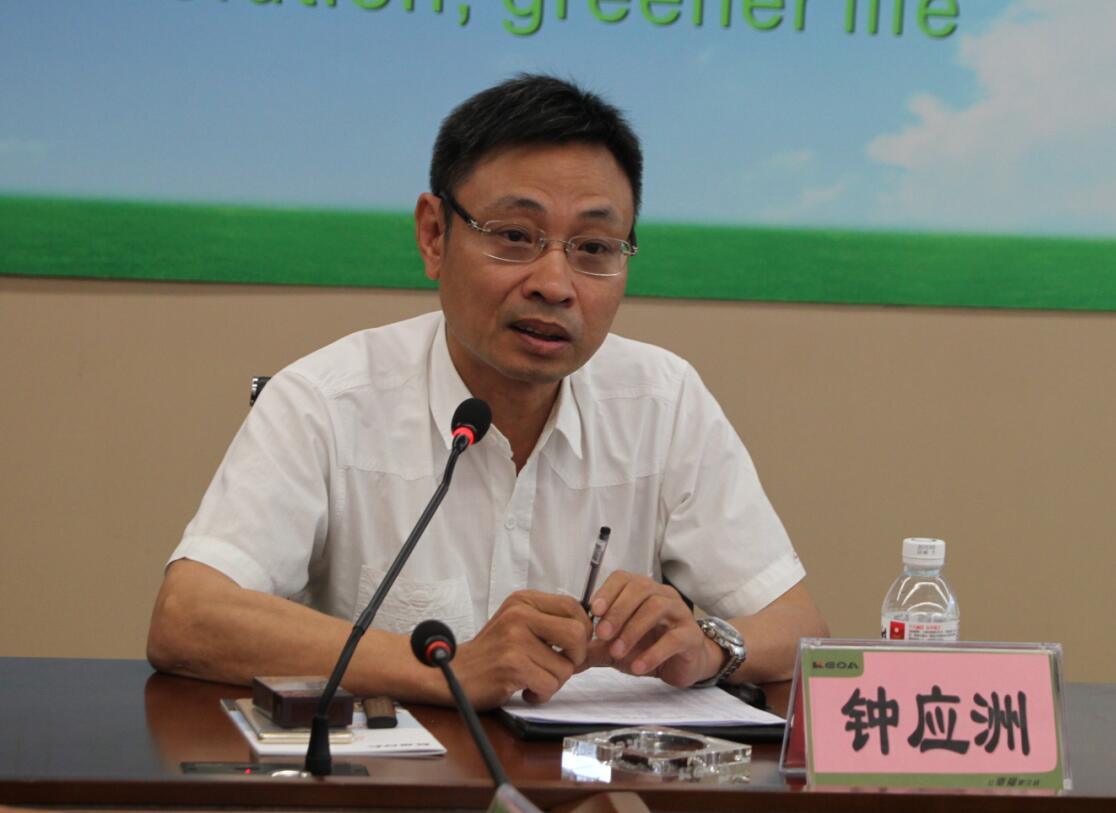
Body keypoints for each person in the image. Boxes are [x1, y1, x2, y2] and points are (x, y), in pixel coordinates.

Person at [147, 74, 827, 710]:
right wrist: (446, 670)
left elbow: (798, 626)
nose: (555, 284)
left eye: (594, 248)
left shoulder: (663, 401)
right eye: (514, 237)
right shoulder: (324, 400)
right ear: (434, 235)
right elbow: (188, 617)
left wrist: (709, 646)